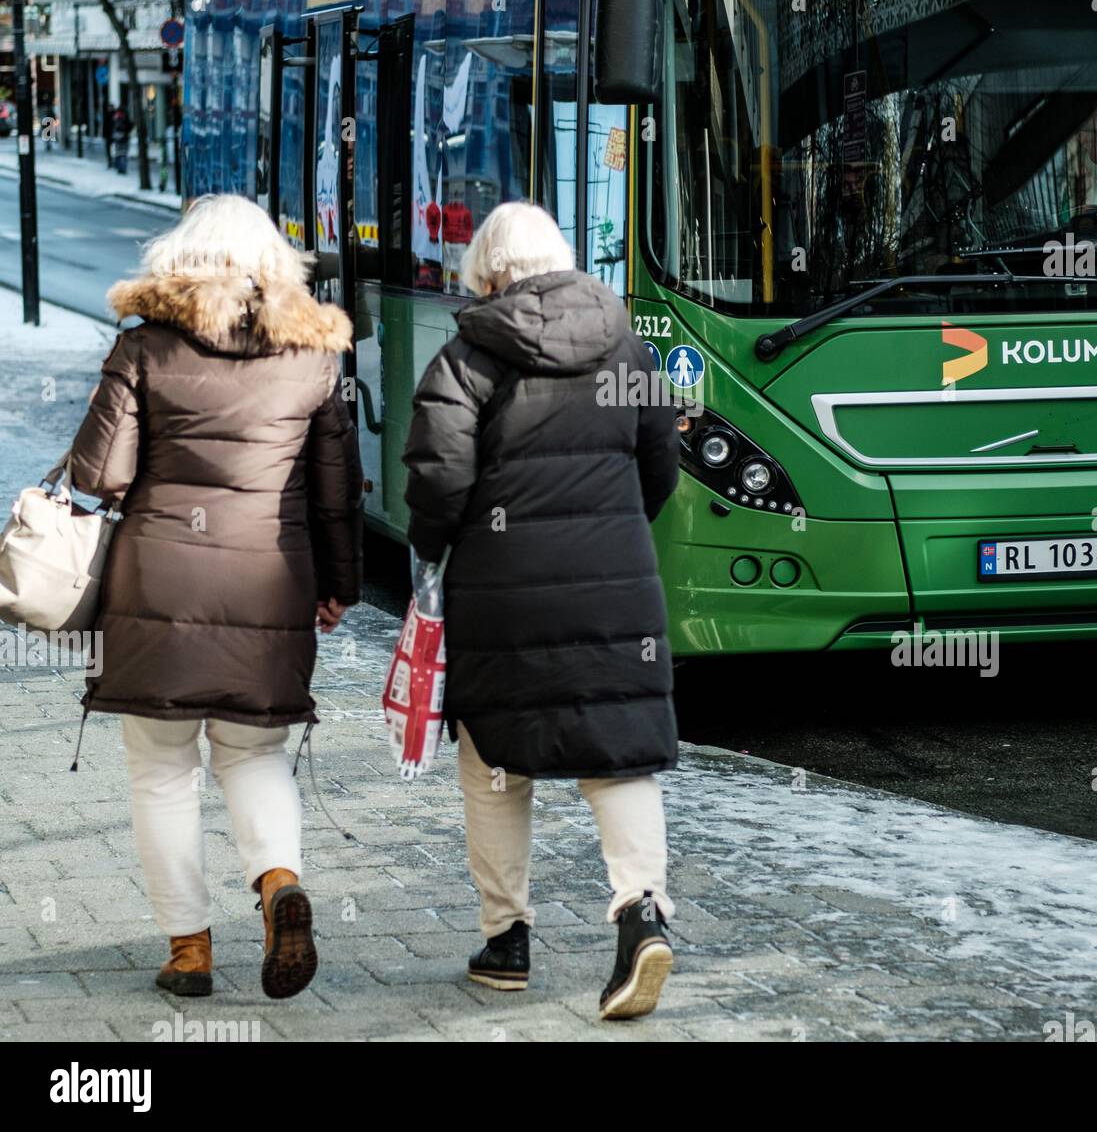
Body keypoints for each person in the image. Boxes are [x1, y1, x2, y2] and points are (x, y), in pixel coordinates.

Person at [68, 193, 363, 1001]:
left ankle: (190, 952)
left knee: (161, 772)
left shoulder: (145, 348)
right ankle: (276, 885)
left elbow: (100, 476)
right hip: (269, 582)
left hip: (154, 583)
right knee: (254, 751)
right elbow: (338, 492)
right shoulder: (312, 358)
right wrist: (340, 587)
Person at [402, 201, 680, 1021]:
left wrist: (429, 546)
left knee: (493, 757)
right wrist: (615, 531)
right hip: (615, 586)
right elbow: (661, 464)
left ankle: (507, 943)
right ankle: (642, 915)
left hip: (503, 589)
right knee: (619, 749)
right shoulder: (626, 342)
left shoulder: (466, 357)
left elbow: (439, 481)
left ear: (486, 273)